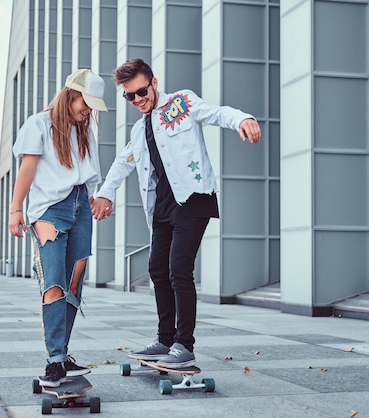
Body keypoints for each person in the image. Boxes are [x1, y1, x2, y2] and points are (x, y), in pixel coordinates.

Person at [91, 58, 262, 368]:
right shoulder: (140, 127)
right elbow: (124, 161)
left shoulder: (181, 103)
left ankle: (184, 344)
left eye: (141, 91)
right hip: (161, 208)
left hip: (193, 200)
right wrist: (105, 192)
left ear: (153, 83)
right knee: (157, 270)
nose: (137, 100)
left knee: (178, 270)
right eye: (129, 96)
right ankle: (164, 339)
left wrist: (242, 119)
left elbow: (215, 112)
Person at [8, 69, 108, 387]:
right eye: (85, 103)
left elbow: (91, 172)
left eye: (92, 105)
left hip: (81, 206)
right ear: (70, 94)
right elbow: (28, 168)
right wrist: (15, 210)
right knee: (54, 283)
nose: (88, 110)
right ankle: (54, 361)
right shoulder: (38, 124)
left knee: (74, 284)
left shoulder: (84, 130)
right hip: (49, 210)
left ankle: (62, 355)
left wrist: (100, 197)